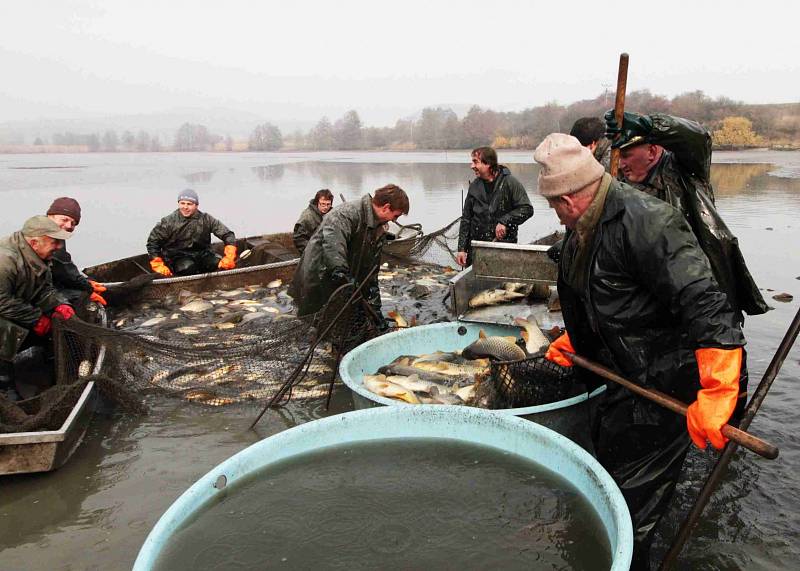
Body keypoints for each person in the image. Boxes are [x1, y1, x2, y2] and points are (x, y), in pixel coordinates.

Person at [534, 134, 747, 569]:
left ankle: (628, 559)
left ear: (570, 198)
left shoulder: (649, 221)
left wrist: (718, 389)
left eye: (555, 204)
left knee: (632, 504)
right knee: (609, 465)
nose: (556, 214)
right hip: (622, 371)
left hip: (666, 379)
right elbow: (597, 293)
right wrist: (579, 338)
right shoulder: (582, 228)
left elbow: (706, 303)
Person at [604, 110, 769, 320]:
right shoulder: (619, 188)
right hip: (655, 298)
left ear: (652, 152)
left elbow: (698, 137)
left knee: (716, 342)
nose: (620, 164)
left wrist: (648, 125)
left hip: (704, 289)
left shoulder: (685, 172)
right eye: (618, 156)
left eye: (626, 156)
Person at [288, 184, 409, 329]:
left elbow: (371, 274)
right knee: (315, 324)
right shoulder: (345, 214)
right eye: (395, 216)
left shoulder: (379, 227)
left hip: (342, 279)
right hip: (317, 276)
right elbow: (333, 250)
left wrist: (376, 312)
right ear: (386, 207)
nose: (394, 220)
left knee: (350, 322)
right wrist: (344, 276)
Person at [0, 216, 77, 401]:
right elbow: (1, 301)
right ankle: (5, 387)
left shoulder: (39, 255)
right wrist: (36, 319)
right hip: (4, 313)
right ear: (35, 242)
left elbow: (44, 290)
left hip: (15, 308)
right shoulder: (5, 260)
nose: (59, 247)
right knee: (5, 328)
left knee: (56, 325)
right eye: (54, 242)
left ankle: (54, 371)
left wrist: (60, 304)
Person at [456, 147, 533, 267]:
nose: (471, 166)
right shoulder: (474, 187)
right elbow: (466, 219)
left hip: (503, 249)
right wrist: (461, 249)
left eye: (475, 161)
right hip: (477, 249)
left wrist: (504, 221)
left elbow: (527, 209)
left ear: (488, 164)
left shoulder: (510, 183)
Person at [146, 189, 238, 277]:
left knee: (218, 263)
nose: (185, 207)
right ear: (178, 203)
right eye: (182, 203)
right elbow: (153, 243)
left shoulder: (207, 219)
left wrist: (229, 257)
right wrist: (158, 265)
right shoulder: (168, 222)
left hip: (203, 254)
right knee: (188, 267)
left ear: (196, 205)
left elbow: (228, 235)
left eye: (189, 204)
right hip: (177, 257)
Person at [45, 197, 108, 307]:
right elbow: (63, 270)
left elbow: (65, 267)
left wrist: (86, 282)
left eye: (73, 223)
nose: (69, 226)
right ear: (50, 216)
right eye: (64, 220)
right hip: (33, 292)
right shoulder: (45, 237)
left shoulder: (57, 234)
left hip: (47, 285)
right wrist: (88, 287)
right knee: (81, 297)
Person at [293, 189, 334, 254]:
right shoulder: (307, 217)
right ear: (316, 202)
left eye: (328, 204)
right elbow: (299, 239)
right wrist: (312, 253)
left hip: (327, 250)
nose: (326, 207)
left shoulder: (333, 214)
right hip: (313, 254)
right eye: (323, 204)